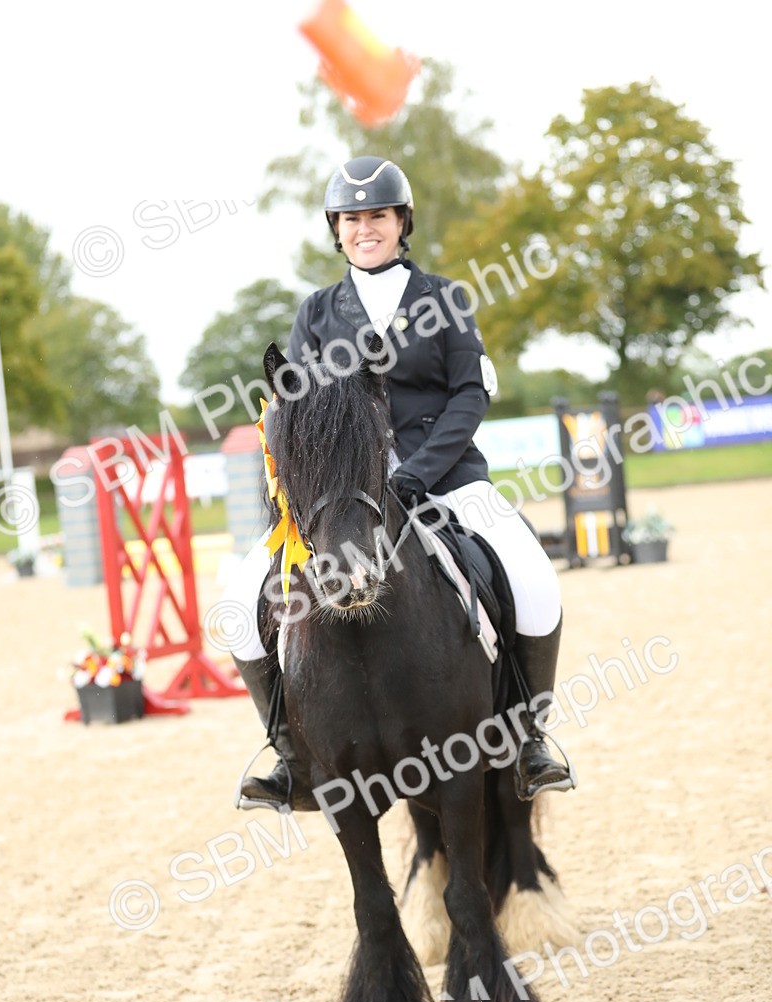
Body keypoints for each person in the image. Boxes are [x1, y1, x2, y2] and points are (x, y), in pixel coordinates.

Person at [231, 155, 575, 810]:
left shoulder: (445, 299)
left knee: (533, 578)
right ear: (337, 229)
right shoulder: (316, 313)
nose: (367, 228)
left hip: (444, 481)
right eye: (353, 218)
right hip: (342, 502)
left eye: (378, 216)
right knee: (243, 597)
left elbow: (469, 397)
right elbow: (296, 412)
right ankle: (288, 755)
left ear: (401, 221)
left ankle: (529, 740)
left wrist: (417, 473)